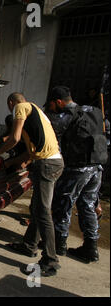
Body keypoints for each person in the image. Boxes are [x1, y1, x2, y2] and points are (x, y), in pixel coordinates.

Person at [0, 93, 64, 277]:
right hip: (53, 162)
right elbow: (31, 149)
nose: (11, 111)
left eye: (9, 106)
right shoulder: (37, 111)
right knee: (37, 208)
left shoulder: (21, 107)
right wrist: (13, 163)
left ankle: (51, 260)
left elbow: (14, 139)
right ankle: (28, 245)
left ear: (11, 102)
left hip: (47, 164)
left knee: (43, 212)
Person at [47, 86, 107, 263]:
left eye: (52, 105)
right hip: (97, 166)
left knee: (63, 203)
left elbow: (54, 131)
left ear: (59, 102)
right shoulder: (92, 111)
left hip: (78, 168)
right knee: (87, 204)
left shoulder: (69, 114)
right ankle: (91, 248)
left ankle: (59, 244)